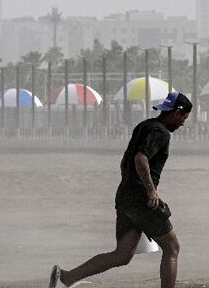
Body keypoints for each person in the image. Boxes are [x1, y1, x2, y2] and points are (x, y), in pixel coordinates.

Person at [48, 91, 193, 288]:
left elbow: (125, 162)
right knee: (172, 247)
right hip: (141, 200)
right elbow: (140, 159)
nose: (183, 123)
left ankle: (66, 278)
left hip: (125, 197)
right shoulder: (161, 132)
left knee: (122, 255)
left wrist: (130, 185)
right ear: (176, 112)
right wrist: (150, 190)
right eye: (183, 117)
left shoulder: (144, 126)